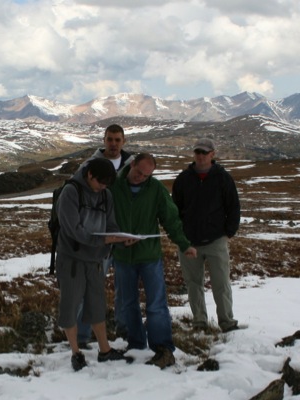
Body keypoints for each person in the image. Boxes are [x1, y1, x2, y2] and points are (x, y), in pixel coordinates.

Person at [109, 153, 196, 369]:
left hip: (149, 256)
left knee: (156, 304)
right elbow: (103, 218)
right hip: (122, 257)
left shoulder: (155, 189)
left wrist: (184, 244)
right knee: (128, 303)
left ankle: (162, 348)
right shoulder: (113, 187)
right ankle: (137, 345)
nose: (141, 178)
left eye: (146, 175)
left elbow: (170, 219)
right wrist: (116, 240)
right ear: (131, 165)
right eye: (139, 172)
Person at [55, 158, 133, 371]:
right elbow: (72, 229)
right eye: (101, 183)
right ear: (90, 175)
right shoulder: (71, 192)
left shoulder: (106, 195)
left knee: (97, 305)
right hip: (71, 258)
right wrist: (101, 241)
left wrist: (120, 238)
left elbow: (111, 225)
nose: (104, 188)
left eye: (107, 184)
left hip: (95, 260)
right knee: (70, 305)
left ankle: (105, 350)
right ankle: (75, 352)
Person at [71, 123, 134, 346]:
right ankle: (81, 335)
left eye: (118, 140)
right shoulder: (89, 165)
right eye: (110, 139)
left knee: (125, 287)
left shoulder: (131, 165)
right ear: (104, 140)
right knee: (91, 286)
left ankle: (125, 329)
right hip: (99, 236)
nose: (114, 144)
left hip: (124, 233)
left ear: (123, 141)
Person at [172, 138, 241, 333]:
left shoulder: (223, 178)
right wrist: (180, 237)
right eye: (197, 152)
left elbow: (233, 206)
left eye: (204, 152)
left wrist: (229, 232)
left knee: (221, 283)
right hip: (188, 241)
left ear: (212, 154)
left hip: (216, 239)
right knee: (193, 284)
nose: (200, 156)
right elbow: (174, 209)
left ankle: (227, 322)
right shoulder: (183, 179)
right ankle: (199, 322)